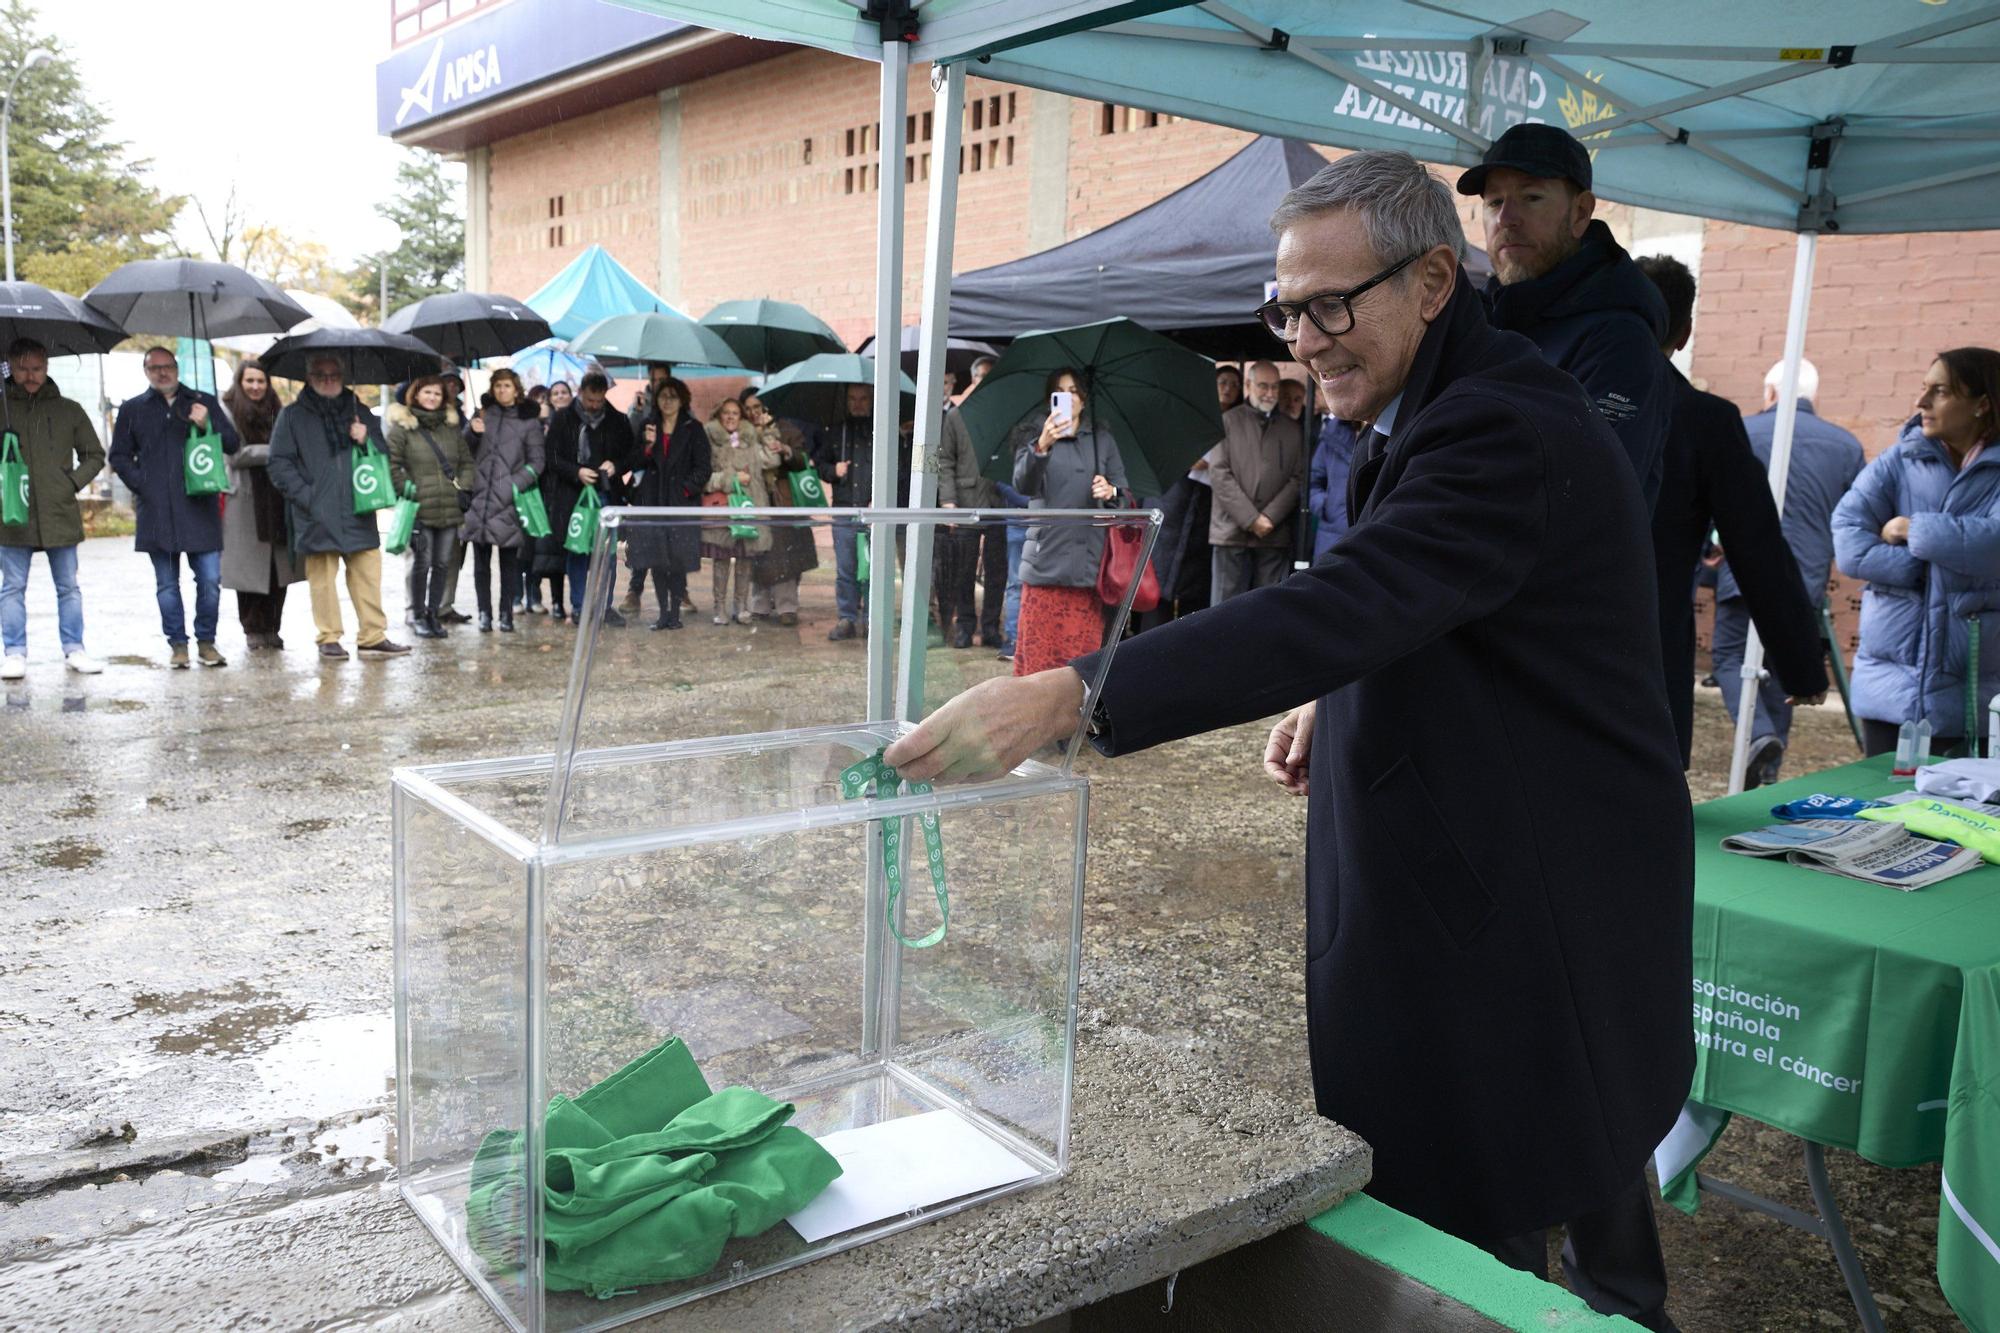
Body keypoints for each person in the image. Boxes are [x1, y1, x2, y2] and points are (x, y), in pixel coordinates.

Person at [886, 152, 1693, 1333]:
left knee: (1495, 1224)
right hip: (1474, 872)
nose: (1302, 339)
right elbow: (1428, 599)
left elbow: (1340, 601)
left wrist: (1070, 694)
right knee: (1558, 1150)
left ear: (1429, 281)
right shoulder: (1425, 397)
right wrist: (1343, 692)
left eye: (1329, 305)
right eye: (1285, 310)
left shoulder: (1497, 423)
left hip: (1525, 904)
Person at [1634, 256, 1826, 775]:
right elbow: (1756, 546)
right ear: (1685, 331)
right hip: (1646, 656)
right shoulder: (1703, 420)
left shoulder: (1549, 392)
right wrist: (1801, 666)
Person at [1460, 123, 1671, 511]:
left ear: (1580, 213)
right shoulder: (1478, 321)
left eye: (1531, 197)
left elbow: (1587, 495)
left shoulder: (1619, 341)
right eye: (1494, 202)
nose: (1507, 218)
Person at [1833, 348, 2000, 757]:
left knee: (1961, 814)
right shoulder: (1900, 459)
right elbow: (1849, 540)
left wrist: (1913, 528)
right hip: (1891, 693)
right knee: (1881, 810)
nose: (1921, 403)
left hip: (1977, 694)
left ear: (1982, 403)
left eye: (1939, 391)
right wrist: (1921, 570)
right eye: (1923, 389)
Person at [1711, 356, 1866, 781]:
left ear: (1771, 393)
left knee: (1728, 656)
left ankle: (1759, 735)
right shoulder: (1846, 445)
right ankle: (1767, 767)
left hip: (1744, 569)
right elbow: (1857, 515)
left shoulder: (1743, 429)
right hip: (1808, 576)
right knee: (1785, 669)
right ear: (1812, 397)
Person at [266, 354, 409, 659]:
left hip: (359, 506)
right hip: (315, 511)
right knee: (322, 581)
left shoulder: (360, 411)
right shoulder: (292, 416)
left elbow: (382, 454)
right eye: (320, 374)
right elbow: (279, 463)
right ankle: (328, 637)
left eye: (333, 374)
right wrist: (308, 497)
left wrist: (365, 438)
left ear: (343, 377)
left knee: (368, 574)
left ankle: (373, 635)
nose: (328, 380)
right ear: (309, 377)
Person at [109, 346, 241, 668]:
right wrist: (143, 483)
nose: (162, 373)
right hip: (156, 510)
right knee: (167, 585)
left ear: (177, 368)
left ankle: (207, 642)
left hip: (200, 506)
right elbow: (119, 457)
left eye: (167, 366)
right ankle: (178, 645)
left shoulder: (202, 401)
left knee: (209, 579)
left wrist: (207, 421)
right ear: (146, 371)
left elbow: (232, 443)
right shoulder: (133, 409)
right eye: (154, 368)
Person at [1011, 368, 1129, 677]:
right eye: (1060, 391)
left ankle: (1075, 723)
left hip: (1088, 566)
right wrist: (1042, 446)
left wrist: (1110, 490)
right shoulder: (1032, 434)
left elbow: (1126, 495)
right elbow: (1023, 485)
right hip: (1045, 562)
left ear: (1084, 398)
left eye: (1074, 390)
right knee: (1039, 661)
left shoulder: (1102, 439)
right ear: (1051, 399)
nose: (1068, 397)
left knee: (1080, 663)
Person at [0, 338, 106, 678]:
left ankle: (74, 648)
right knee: (13, 587)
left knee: (68, 587)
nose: (30, 376)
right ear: (10, 367)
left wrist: (71, 483)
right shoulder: (1, 407)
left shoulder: (69, 409)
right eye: (22, 369)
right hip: (12, 512)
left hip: (59, 509)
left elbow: (94, 454)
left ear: (47, 367)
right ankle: (14, 652)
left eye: (37, 369)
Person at [813, 383, 913, 642]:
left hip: (874, 513)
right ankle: (847, 617)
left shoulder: (884, 433)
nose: (858, 403)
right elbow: (820, 464)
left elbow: (899, 471)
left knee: (873, 569)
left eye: (863, 398)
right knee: (846, 568)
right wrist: (833, 471)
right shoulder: (836, 432)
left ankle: (872, 619)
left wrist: (880, 499)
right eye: (853, 399)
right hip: (845, 509)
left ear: (871, 401)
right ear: (846, 401)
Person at [386, 375, 475, 640]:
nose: (432, 398)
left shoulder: (451, 428)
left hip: (448, 507)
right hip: (419, 508)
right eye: (427, 392)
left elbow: (467, 462)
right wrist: (408, 489)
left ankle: (434, 614)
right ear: (416, 394)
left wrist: (464, 487)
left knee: (442, 563)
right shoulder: (403, 428)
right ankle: (416, 615)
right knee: (421, 563)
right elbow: (391, 465)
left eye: (437, 394)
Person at [217, 359, 297, 651]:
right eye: (249, 381)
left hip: (277, 498)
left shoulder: (279, 410)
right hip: (246, 499)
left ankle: (273, 627)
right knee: (249, 571)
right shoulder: (226, 409)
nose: (255, 387)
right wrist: (276, 451)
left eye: (260, 381)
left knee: (279, 570)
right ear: (240, 382)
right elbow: (234, 454)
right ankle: (253, 628)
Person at [1208, 360, 1305, 601]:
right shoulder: (1227, 421)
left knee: (1267, 608)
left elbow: (1298, 478)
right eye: (1263, 386)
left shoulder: (1292, 429)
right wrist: (1251, 519)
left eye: (1274, 387)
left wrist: (1270, 517)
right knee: (1223, 611)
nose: (1270, 393)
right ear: (1249, 385)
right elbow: (1219, 472)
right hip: (1230, 530)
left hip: (1273, 533)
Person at [544, 371, 633, 628]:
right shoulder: (563, 419)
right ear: (581, 393)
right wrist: (576, 471)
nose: (594, 405)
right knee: (579, 551)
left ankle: (605, 606)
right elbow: (552, 457)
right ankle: (580, 606)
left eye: (599, 400)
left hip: (607, 493)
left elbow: (631, 454)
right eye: (590, 400)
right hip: (574, 495)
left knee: (607, 553)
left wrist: (616, 465)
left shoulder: (617, 420)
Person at [460, 369, 547, 633]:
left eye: (506, 385)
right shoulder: (483, 414)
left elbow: (537, 462)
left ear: (516, 388)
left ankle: (505, 613)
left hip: (509, 501)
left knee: (510, 564)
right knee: (481, 562)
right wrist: (473, 432)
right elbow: (464, 451)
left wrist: (512, 485)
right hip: (480, 498)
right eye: (497, 385)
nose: (501, 390)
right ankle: (484, 614)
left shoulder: (528, 421)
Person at [932, 368, 1006, 648]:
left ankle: (990, 627)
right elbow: (945, 461)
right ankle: (964, 626)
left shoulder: (1003, 416)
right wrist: (948, 501)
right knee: (963, 569)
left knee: (996, 570)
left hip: (998, 502)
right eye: (979, 377)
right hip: (964, 502)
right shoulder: (956, 416)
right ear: (972, 380)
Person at [628, 377, 708, 630]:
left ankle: (675, 613)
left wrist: (685, 489)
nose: (667, 401)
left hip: (680, 504)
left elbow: (704, 467)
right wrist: (648, 446)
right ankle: (663, 613)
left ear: (682, 399)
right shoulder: (648, 425)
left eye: (673, 396)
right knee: (657, 559)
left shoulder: (693, 428)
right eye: (663, 396)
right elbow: (635, 462)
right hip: (653, 502)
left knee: (677, 560)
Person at [742, 390, 818, 627]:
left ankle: (787, 606)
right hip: (754, 499)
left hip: (784, 500)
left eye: (758, 407)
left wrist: (785, 450)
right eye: (749, 408)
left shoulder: (785, 428)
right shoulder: (742, 434)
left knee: (785, 554)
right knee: (757, 552)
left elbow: (800, 458)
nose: (753, 413)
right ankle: (760, 604)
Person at [703, 398, 776, 626]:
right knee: (722, 558)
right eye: (726, 412)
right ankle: (719, 607)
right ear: (718, 415)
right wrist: (730, 479)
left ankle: (741, 606)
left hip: (747, 507)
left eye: (735, 413)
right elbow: (703, 477)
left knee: (745, 557)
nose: (731, 417)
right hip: (723, 507)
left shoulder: (750, 440)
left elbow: (772, 458)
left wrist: (766, 431)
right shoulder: (709, 441)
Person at [620, 362, 676, 617]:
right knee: (642, 537)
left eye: (662, 379)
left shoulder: (680, 406)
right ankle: (635, 590)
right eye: (654, 379)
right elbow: (630, 447)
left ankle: (679, 591)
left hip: (671, 484)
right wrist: (636, 414)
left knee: (673, 536)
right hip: (645, 485)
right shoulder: (640, 409)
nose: (658, 383)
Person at [526, 378, 575, 616]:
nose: (559, 396)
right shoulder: (539, 424)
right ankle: (533, 596)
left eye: (563, 392)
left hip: (566, 492)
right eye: (554, 393)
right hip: (543, 493)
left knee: (559, 551)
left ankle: (558, 602)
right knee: (539, 548)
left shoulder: (575, 422)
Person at [1305, 415, 1363, 563]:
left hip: (1368, 534)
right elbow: (1311, 481)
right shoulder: (1332, 436)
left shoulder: (1389, 436)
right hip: (1331, 534)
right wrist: (1326, 505)